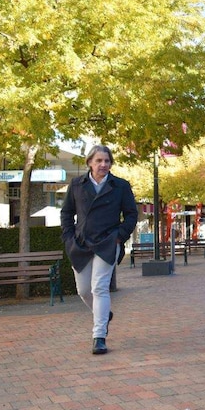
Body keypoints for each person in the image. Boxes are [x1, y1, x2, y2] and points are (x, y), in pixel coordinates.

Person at [60, 145, 138, 355]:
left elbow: (131, 214)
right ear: (90, 163)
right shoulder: (77, 184)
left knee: (100, 288)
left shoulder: (120, 186)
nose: (103, 165)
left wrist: (119, 237)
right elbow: (66, 213)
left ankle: (99, 336)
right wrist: (68, 238)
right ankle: (103, 313)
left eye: (107, 161)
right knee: (84, 290)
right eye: (99, 161)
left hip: (107, 243)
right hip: (81, 244)